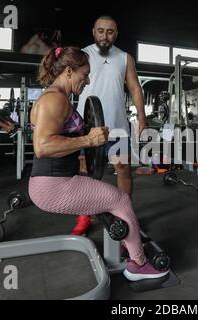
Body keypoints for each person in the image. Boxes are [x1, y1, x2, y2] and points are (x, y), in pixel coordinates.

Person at [28, 46, 169, 281]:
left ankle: (128, 245)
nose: (88, 80)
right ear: (70, 71)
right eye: (85, 74)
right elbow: (42, 147)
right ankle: (139, 264)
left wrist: (86, 142)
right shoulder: (54, 100)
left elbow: (63, 139)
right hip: (52, 186)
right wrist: (88, 139)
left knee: (109, 199)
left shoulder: (59, 97)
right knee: (120, 199)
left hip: (57, 179)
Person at [72, 15, 146, 235]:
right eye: (101, 31)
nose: (105, 36)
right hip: (87, 127)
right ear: (94, 31)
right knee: (86, 174)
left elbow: (134, 88)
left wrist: (142, 116)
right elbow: (69, 85)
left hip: (118, 127)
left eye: (110, 31)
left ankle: (125, 213)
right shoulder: (82, 55)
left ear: (116, 34)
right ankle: (85, 216)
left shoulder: (125, 58)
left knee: (123, 171)